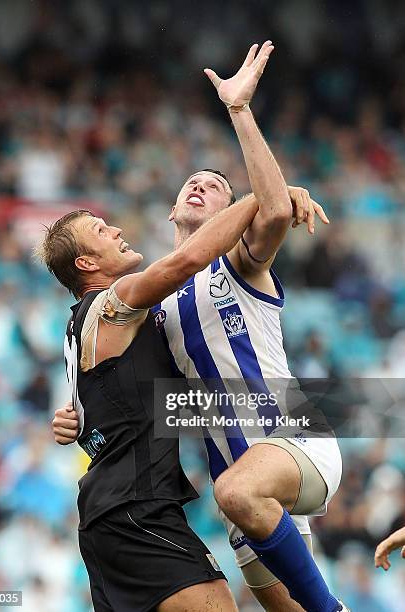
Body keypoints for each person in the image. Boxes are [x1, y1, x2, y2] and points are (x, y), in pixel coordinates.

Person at [53, 42, 348, 612]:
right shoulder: (151, 308)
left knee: (237, 494)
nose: (198, 184)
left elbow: (276, 213)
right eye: (190, 181)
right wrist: (78, 415)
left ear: (233, 211)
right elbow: (129, 387)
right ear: (169, 211)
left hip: (291, 437)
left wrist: (240, 113)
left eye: (215, 186)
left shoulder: (238, 262)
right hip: (240, 479)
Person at [38, 192, 266, 611]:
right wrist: (262, 198)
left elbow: (114, 406)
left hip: (111, 514)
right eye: (101, 232)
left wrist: (70, 424)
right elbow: (185, 262)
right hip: (135, 509)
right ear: (87, 264)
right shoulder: (113, 301)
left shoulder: (81, 326)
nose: (117, 230)